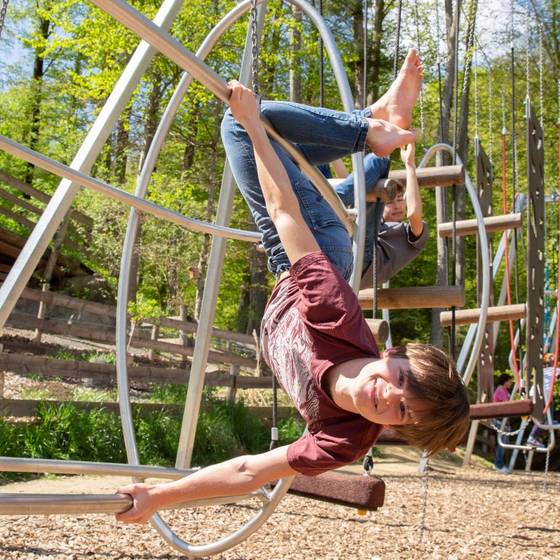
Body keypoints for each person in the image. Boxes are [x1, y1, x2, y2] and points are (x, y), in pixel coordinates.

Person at [115, 62, 470, 524]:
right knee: (245, 125)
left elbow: (250, 471)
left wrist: (163, 496)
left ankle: (377, 126)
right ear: (393, 353)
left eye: (402, 411)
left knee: (283, 139)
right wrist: (249, 123)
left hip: (319, 260)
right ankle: (371, 133)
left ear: (398, 428)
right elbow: (285, 214)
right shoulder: (334, 315)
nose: (387, 396)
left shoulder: (347, 439)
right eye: (398, 378)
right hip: (312, 245)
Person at [325, 147, 427, 289]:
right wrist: (331, 149)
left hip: (363, 262)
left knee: (380, 159)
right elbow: (354, 184)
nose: (397, 206)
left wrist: (410, 164)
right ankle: (322, 198)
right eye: (390, 202)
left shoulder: (409, 233)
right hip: (344, 250)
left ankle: (324, 201)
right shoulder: (377, 222)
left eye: (400, 199)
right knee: (319, 168)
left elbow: (414, 213)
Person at [526, 353, 560, 448]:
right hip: (541, 395)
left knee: (544, 414)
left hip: (535, 394)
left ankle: (549, 423)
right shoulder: (554, 370)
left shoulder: (543, 370)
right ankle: (532, 437)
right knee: (541, 418)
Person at [493, 373, 513, 474]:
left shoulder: (504, 390)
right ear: (505, 381)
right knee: (502, 443)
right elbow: (507, 403)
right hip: (500, 420)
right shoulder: (501, 389)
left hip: (504, 420)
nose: (511, 383)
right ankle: (498, 465)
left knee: (503, 443)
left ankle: (500, 464)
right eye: (510, 381)